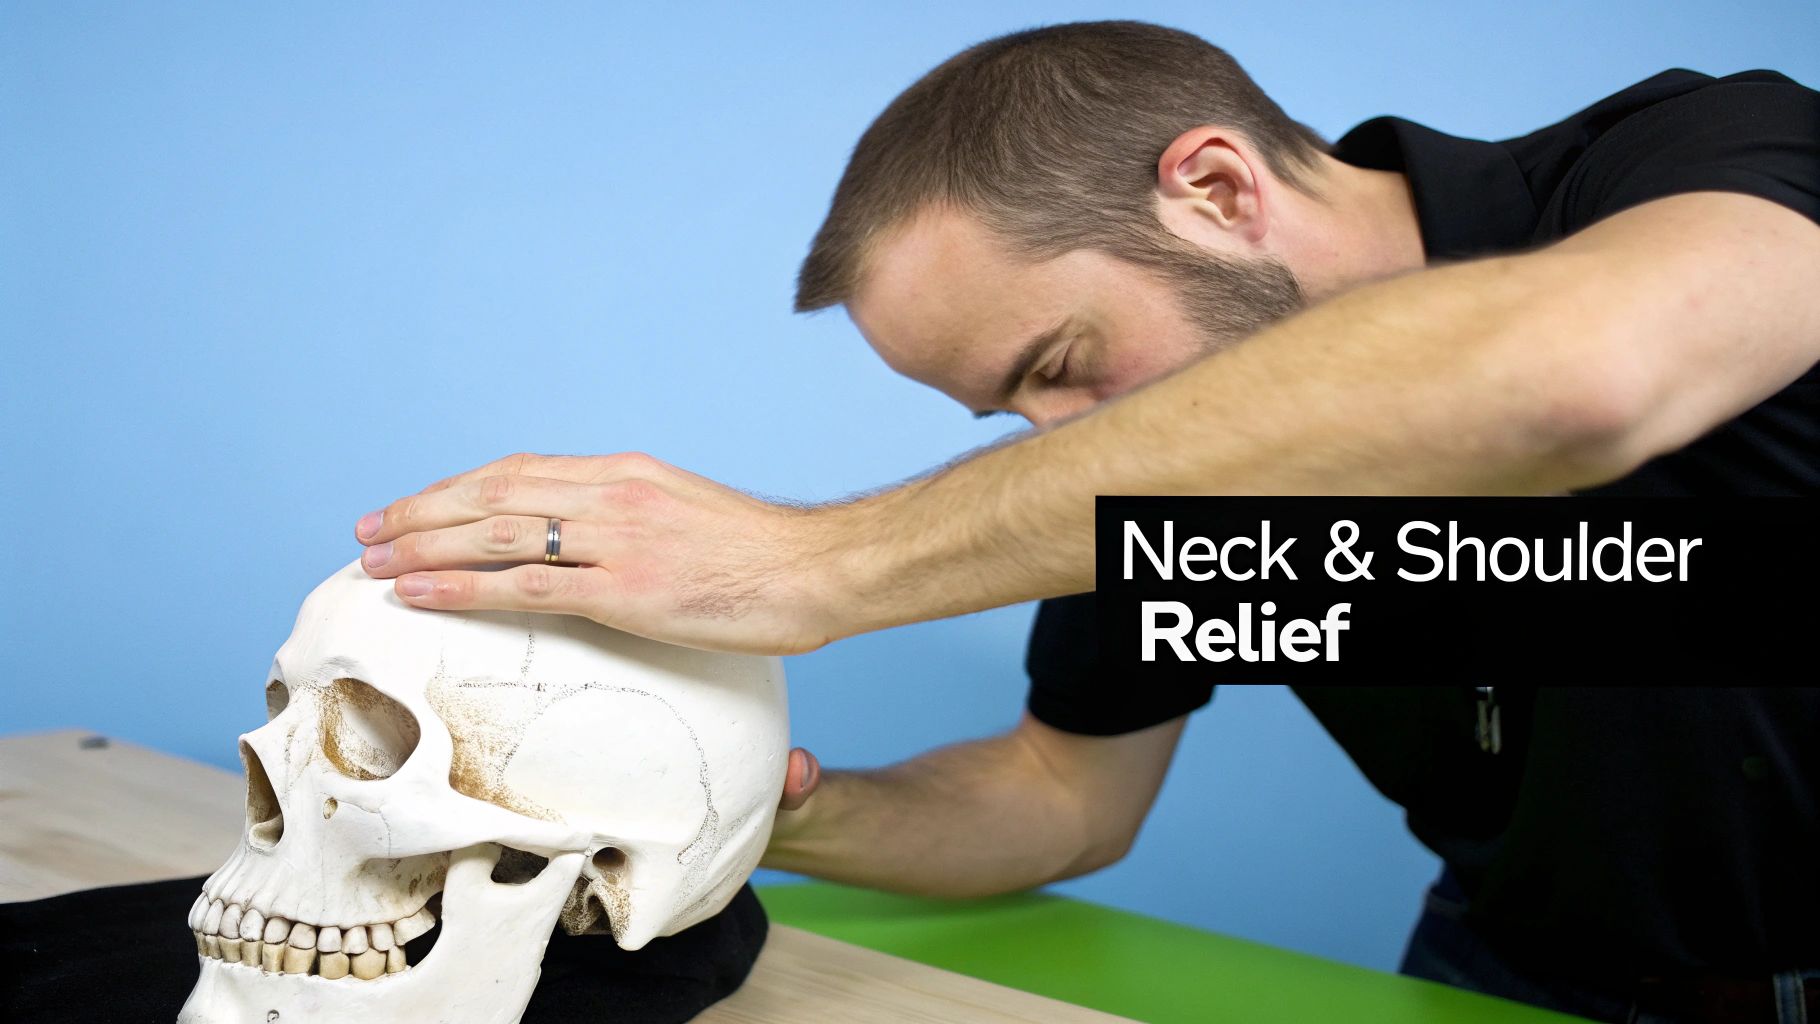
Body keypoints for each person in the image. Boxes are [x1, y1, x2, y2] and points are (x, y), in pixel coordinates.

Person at [349, 21, 1820, 1023]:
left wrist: (811, 562)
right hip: (1504, 972)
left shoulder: (1716, 152)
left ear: (1219, 188)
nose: (1069, 445)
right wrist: (743, 807)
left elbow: (1576, 378)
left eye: (1058, 367)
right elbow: (1064, 799)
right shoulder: (1142, 486)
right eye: (1012, 418)